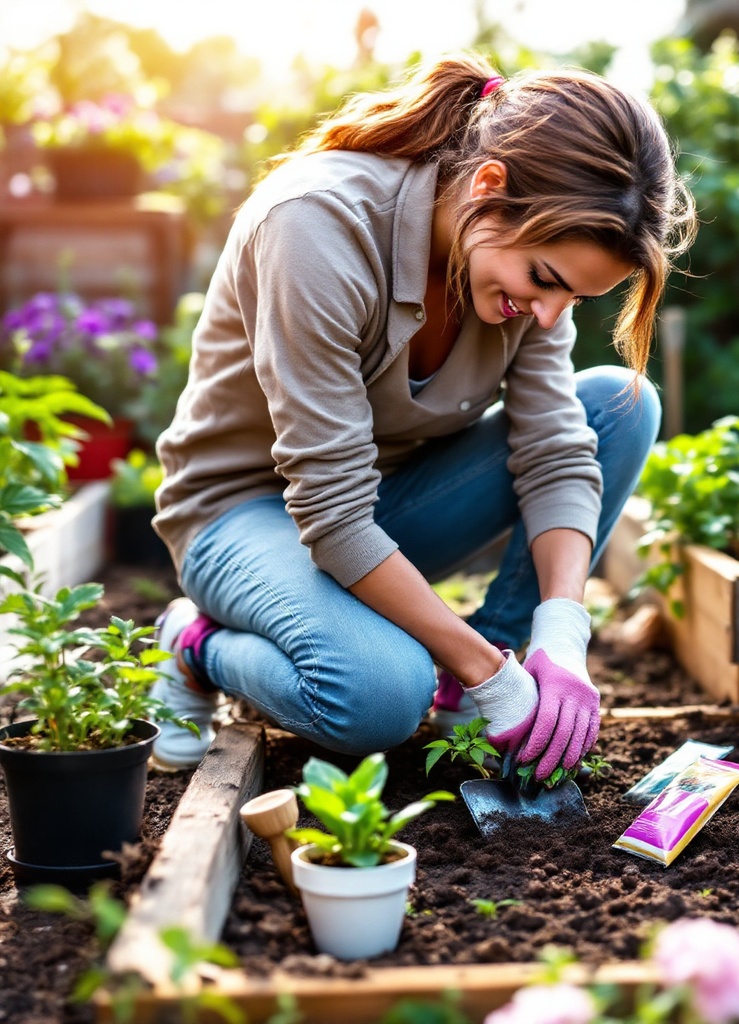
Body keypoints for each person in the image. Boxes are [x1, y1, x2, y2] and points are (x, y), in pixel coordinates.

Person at [150, 53, 696, 779]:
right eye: (544, 280)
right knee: (377, 697)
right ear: (489, 187)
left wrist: (559, 636)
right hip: (243, 516)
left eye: (576, 300)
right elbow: (332, 511)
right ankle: (195, 645)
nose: (549, 316)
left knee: (618, 409)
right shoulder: (316, 225)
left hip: (379, 515)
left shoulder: (516, 276)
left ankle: (481, 684)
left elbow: (557, 451)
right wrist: (481, 668)